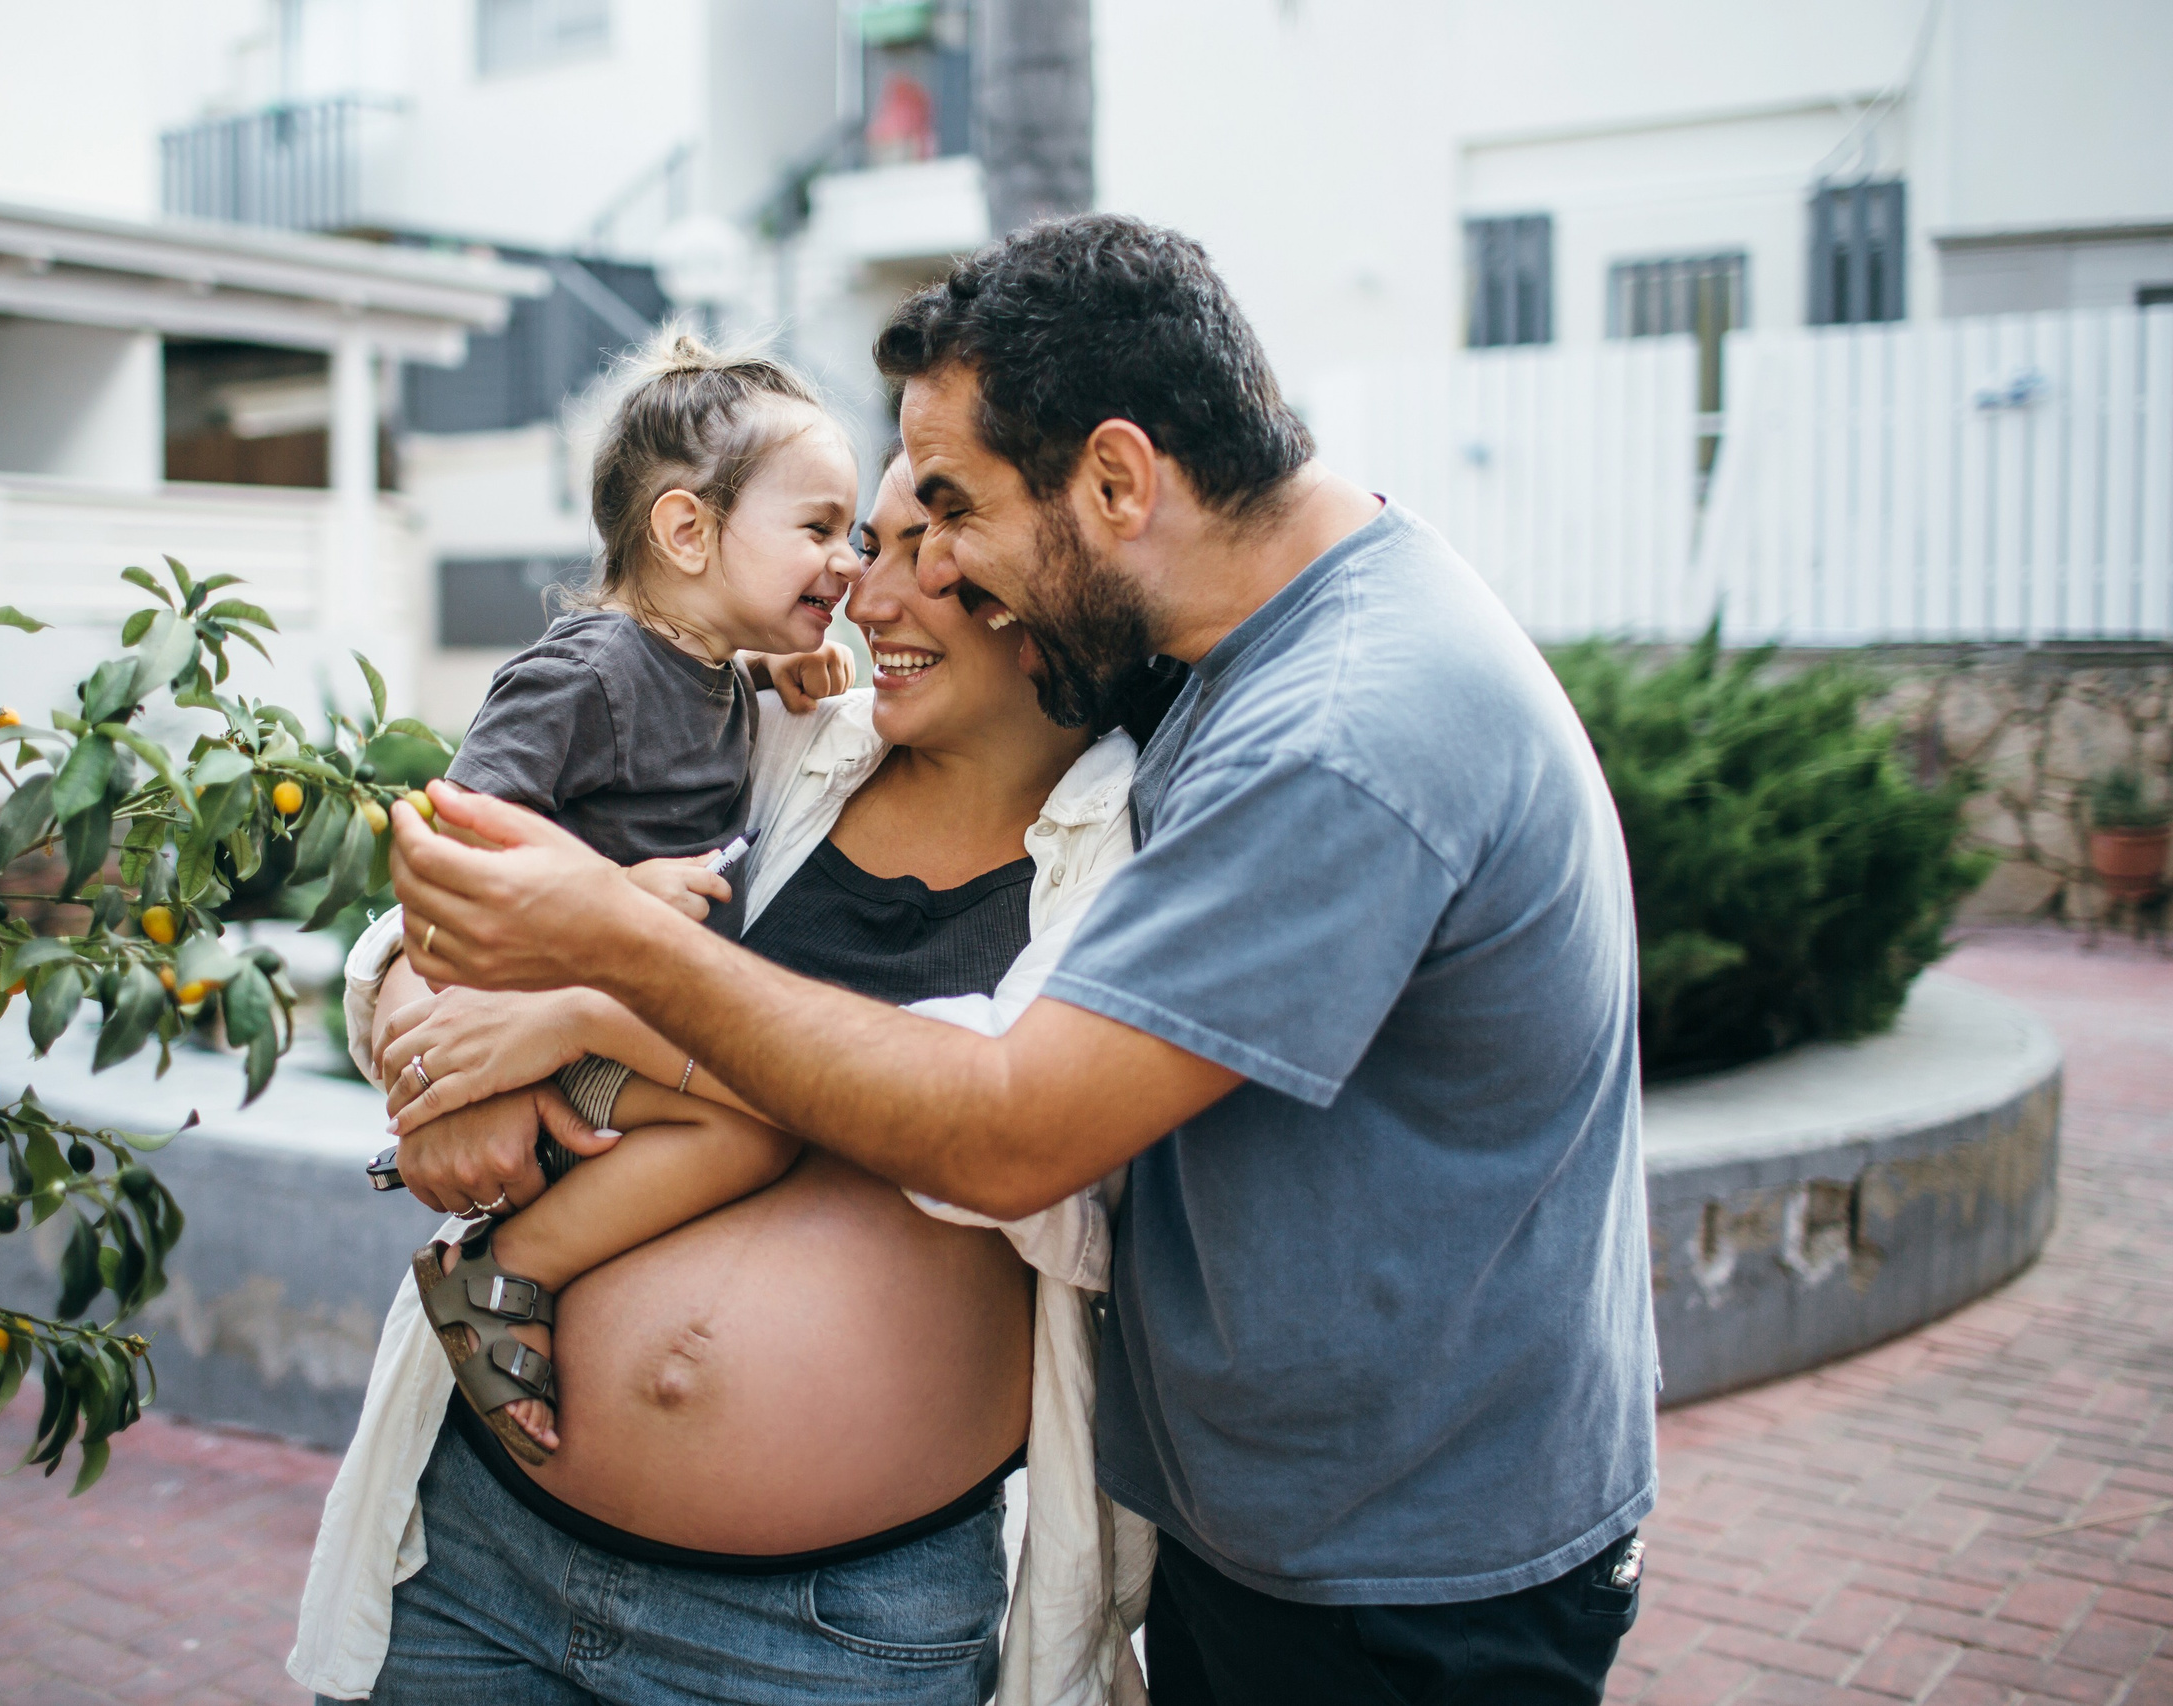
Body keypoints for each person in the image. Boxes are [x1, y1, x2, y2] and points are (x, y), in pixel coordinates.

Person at [386, 214, 1662, 1704]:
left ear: (1118, 479)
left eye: (951, 514)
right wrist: (451, 1025)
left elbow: (1008, 1128)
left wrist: (605, 972)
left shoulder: (1338, 728)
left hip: (1404, 1576)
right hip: (1270, 1534)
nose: (902, 578)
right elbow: (489, 870)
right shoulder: (1225, 660)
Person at [291, 455, 1147, 1705]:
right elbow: (439, 912)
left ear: (1054, 582)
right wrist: (447, 1075)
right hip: (478, 1543)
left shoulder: (1135, 850)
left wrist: (593, 1004)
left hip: (825, 1632)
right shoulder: (776, 737)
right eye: (865, 542)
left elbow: (995, 1126)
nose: (866, 594)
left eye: (931, 555)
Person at [406, 327, 863, 1465]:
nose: (849, 561)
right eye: (818, 529)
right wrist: (611, 895)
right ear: (685, 529)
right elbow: (447, 850)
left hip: (627, 1021)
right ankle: (511, 1268)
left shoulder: (711, 669)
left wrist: (771, 667)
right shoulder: (585, 671)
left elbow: (699, 694)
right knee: (755, 1128)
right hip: (568, 1032)